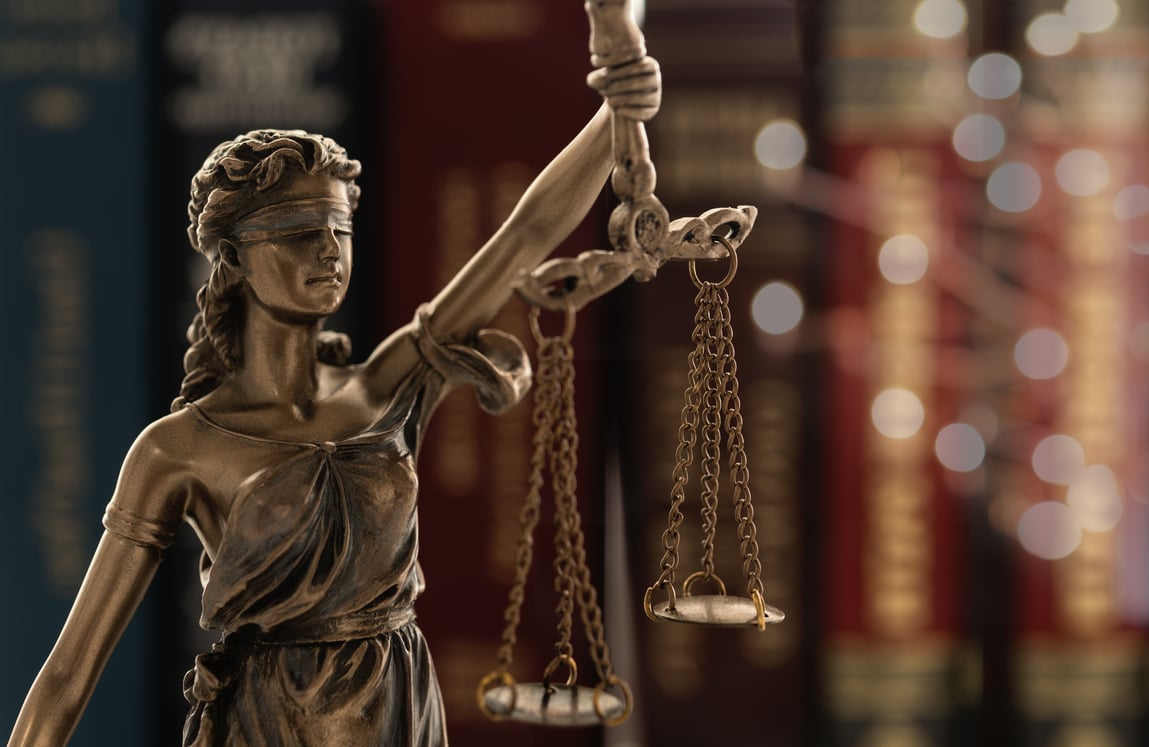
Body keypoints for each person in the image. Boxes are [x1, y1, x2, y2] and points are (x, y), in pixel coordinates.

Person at [8, 56, 660, 746]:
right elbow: (67, 673)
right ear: (231, 258)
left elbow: (522, 235)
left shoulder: (389, 385)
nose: (329, 253)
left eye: (338, 231)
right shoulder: (178, 448)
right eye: (297, 234)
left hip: (400, 707)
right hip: (271, 722)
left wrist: (620, 110)